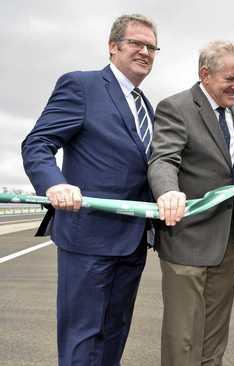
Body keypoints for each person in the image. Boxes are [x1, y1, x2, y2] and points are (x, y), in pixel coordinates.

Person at [21, 14, 158, 365]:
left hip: (132, 242)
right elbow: (37, 144)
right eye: (136, 43)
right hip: (87, 239)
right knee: (82, 341)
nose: (145, 51)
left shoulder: (147, 106)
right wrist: (56, 184)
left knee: (114, 336)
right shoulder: (81, 86)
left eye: (151, 46)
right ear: (113, 47)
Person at [147, 41, 234, 366]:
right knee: (184, 340)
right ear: (205, 74)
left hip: (227, 241)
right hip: (187, 239)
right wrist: (167, 192)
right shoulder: (176, 107)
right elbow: (163, 159)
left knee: (214, 339)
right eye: (229, 79)